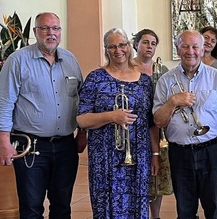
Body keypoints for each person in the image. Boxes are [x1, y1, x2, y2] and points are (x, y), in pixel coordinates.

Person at [0, 12, 83, 219]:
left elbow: (82, 100)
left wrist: (82, 134)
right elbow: (4, 103)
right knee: (31, 207)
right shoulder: (18, 61)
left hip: (65, 146)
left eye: (55, 29)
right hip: (30, 146)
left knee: (62, 205)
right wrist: (4, 143)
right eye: (45, 28)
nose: (51, 33)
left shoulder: (70, 60)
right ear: (35, 32)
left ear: (60, 32)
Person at [153, 30, 217, 219]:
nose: (190, 51)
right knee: (184, 210)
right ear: (177, 49)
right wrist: (173, 101)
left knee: (215, 210)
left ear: (202, 49)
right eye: (185, 46)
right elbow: (158, 121)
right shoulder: (166, 81)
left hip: (212, 150)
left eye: (195, 47)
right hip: (180, 152)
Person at [76, 28, 155, 218]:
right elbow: (82, 119)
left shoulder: (145, 81)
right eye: (112, 46)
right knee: (106, 207)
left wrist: (155, 154)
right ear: (106, 50)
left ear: (129, 46)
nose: (118, 50)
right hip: (105, 158)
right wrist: (111, 116)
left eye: (122, 45)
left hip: (138, 155)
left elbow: (151, 123)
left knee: (137, 205)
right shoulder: (95, 78)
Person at [132, 28, 172, 219]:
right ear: (136, 44)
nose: (149, 46)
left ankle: (155, 215)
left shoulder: (162, 70)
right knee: (138, 175)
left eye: (153, 43)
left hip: (157, 129)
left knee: (156, 175)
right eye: (145, 42)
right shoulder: (128, 68)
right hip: (134, 127)